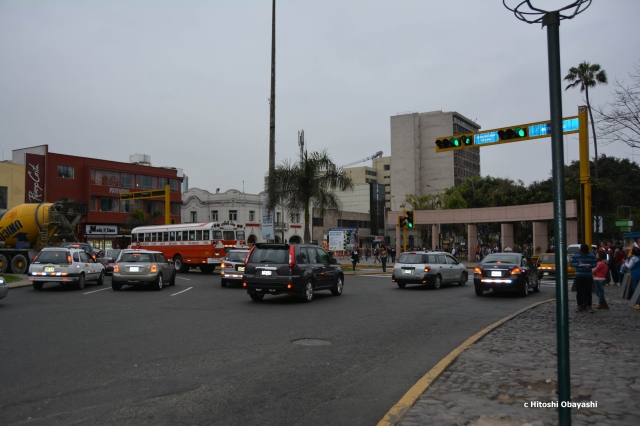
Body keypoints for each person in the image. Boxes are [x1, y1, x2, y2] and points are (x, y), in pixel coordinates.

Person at [570, 243, 598, 313]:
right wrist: (577, 264)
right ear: (580, 250)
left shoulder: (591, 255)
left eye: (585, 253)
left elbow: (595, 264)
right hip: (579, 275)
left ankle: (588, 306)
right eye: (582, 253)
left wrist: (591, 266)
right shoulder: (575, 255)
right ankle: (579, 305)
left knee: (588, 291)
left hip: (588, 275)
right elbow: (571, 263)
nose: (583, 254)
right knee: (579, 291)